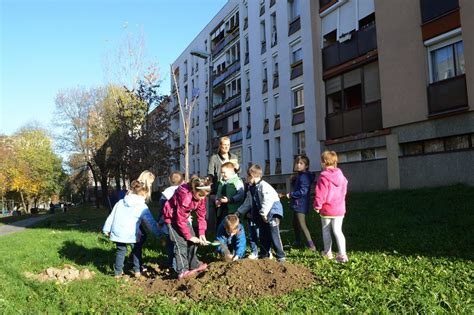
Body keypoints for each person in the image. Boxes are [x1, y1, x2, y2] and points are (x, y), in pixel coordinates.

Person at [102, 179, 161, 278]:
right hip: (132, 233)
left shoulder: (120, 202)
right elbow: (149, 222)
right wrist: (158, 233)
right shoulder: (142, 206)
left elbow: (111, 216)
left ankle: (117, 273)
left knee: (121, 251)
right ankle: (137, 271)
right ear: (142, 193)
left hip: (118, 231)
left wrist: (106, 229)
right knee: (136, 250)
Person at [162, 176, 211, 279]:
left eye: (205, 196)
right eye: (201, 196)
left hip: (184, 218)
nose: (203, 198)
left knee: (194, 242)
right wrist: (188, 236)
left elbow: (201, 215)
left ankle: (194, 264)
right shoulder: (185, 196)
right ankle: (182, 271)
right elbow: (180, 219)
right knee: (181, 245)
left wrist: (202, 233)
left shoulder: (202, 195)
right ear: (194, 190)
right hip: (172, 218)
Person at [237, 164, 286, 262]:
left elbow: (268, 200)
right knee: (263, 234)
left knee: (274, 233)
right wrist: (239, 211)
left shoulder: (264, 186)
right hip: (263, 214)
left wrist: (263, 213)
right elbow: (248, 202)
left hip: (273, 212)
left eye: (247, 176)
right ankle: (265, 254)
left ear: (252, 176)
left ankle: (281, 256)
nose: (246, 179)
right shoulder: (252, 188)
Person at [313, 151, 349, 263]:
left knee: (326, 230)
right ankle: (342, 255)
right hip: (339, 208)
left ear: (324, 162)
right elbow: (344, 189)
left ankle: (327, 253)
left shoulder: (323, 177)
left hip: (327, 209)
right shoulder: (341, 175)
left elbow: (320, 193)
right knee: (338, 231)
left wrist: (317, 206)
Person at [286, 155, 316, 251]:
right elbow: (298, 186)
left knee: (302, 224)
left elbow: (303, 191)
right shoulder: (300, 175)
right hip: (297, 203)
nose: (298, 165)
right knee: (295, 223)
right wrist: (294, 180)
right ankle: (298, 241)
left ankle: (311, 245)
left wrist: (291, 194)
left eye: (301, 163)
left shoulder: (304, 177)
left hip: (301, 204)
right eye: (297, 163)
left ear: (306, 166)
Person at [157, 171, 185, 271]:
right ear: (182, 181)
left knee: (170, 244)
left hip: (168, 223)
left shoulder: (166, 193)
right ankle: (178, 265)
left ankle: (172, 264)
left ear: (169, 180)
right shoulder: (184, 191)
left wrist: (159, 221)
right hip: (182, 223)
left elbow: (161, 209)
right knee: (179, 245)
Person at [215, 162, 245, 228]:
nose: (222, 174)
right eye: (221, 172)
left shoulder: (237, 181)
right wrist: (217, 200)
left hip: (233, 211)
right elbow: (218, 193)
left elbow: (240, 194)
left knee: (233, 227)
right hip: (222, 209)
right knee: (223, 226)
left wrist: (230, 200)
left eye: (224, 172)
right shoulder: (221, 182)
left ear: (231, 171)